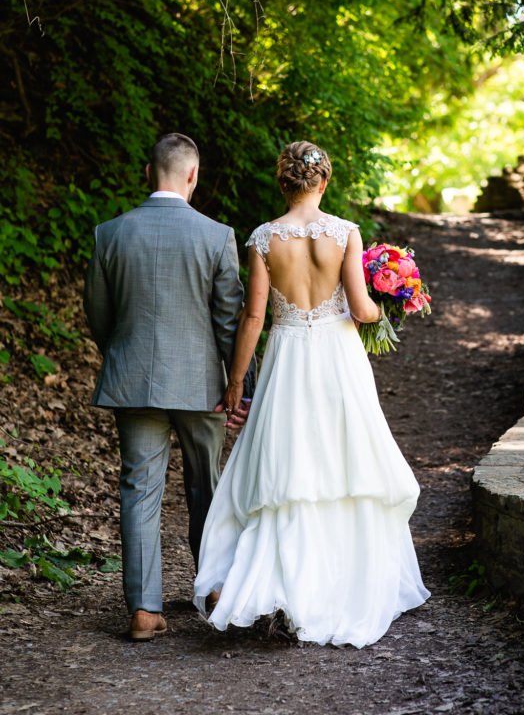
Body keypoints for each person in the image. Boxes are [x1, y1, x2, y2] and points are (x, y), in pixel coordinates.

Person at [193, 140, 429, 647]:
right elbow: (362, 310)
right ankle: (342, 586)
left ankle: (279, 588)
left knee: (289, 467)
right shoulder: (345, 233)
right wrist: (392, 297)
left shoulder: (262, 238)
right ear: (323, 182)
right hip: (338, 359)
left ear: (283, 183)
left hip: (287, 358)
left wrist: (236, 382)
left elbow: (253, 317)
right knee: (345, 463)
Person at [84, 133, 254, 641]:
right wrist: (237, 384)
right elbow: (230, 318)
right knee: (208, 484)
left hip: (133, 380)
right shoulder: (215, 235)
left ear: (147, 173)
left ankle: (143, 608)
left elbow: (98, 314)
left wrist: (122, 352)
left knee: (139, 490)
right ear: (192, 176)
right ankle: (216, 590)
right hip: (202, 386)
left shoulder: (110, 234)